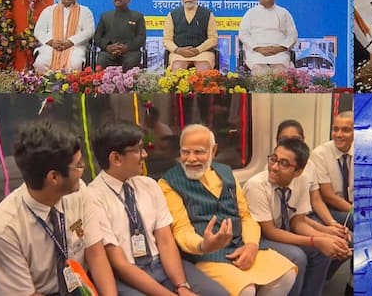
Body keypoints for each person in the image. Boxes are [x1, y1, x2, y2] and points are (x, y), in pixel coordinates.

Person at [89, 122, 227, 296]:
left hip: (161, 263)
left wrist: (181, 286)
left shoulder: (149, 185)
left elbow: (166, 241)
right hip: (127, 275)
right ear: (116, 158)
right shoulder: (93, 198)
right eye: (138, 149)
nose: (145, 154)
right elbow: (119, 264)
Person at [158, 124, 296, 296]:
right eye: (185, 152)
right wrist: (204, 245)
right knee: (246, 291)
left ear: (213, 151)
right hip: (204, 254)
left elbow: (245, 215)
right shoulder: (169, 182)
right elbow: (181, 229)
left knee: (287, 275)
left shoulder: (226, 173)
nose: (190, 159)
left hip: (240, 244)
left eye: (199, 152)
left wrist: (251, 245)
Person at [0, 120, 117, 295]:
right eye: (78, 165)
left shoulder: (80, 192)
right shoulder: (4, 229)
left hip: (82, 287)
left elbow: (96, 255)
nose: (83, 169)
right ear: (54, 177)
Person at [243, 138, 351, 296]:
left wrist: (328, 238)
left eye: (284, 164)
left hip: (282, 232)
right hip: (257, 238)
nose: (274, 167)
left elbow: (297, 222)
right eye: (273, 159)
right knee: (298, 257)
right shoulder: (256, 186)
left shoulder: (302, 180)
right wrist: (317, 240)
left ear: (299, 171)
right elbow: (270, 232)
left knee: (322, 252)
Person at [33, 0, 95, 73]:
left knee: (75, 63)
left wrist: (71, 41)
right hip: (51, 46)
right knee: (41, 63)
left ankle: (72, 86)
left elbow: (89, 31)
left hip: (75, 46)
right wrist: (51, 42)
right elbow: (38, 31)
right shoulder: (49, 10)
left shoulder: (85, 11)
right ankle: (45, 86)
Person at [238, 0, 298, 74]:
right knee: (259, 70)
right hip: (256, 52)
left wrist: (280, 48)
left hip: (279, 52)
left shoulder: (284, 13)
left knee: (280, 70)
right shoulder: (250, 13)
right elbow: (243, 34)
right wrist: (258, 48)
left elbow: (292, 35)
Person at [309, 112, 354, 231]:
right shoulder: (320, 154)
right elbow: (328, 196)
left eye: (345, 130)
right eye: (335, 129)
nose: (339, 135)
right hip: (332, 208)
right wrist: (354, 210)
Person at [163, 0, 218, 71]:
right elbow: (167, 40)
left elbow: (213, 39)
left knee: (203, 69)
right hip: (179, 53)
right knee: (178, 68)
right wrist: (178, 50)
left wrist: (198, 50)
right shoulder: (172, 15)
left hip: (202, 53)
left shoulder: (207, 14)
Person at [93, 0, 146, 71]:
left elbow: (141, 37)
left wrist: (127, 47)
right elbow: (97, 37)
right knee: (101, 60)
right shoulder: (105, 16)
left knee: (130, 62)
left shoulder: (137, 16)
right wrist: (107, 47)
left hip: (130, 52)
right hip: (108, 52)